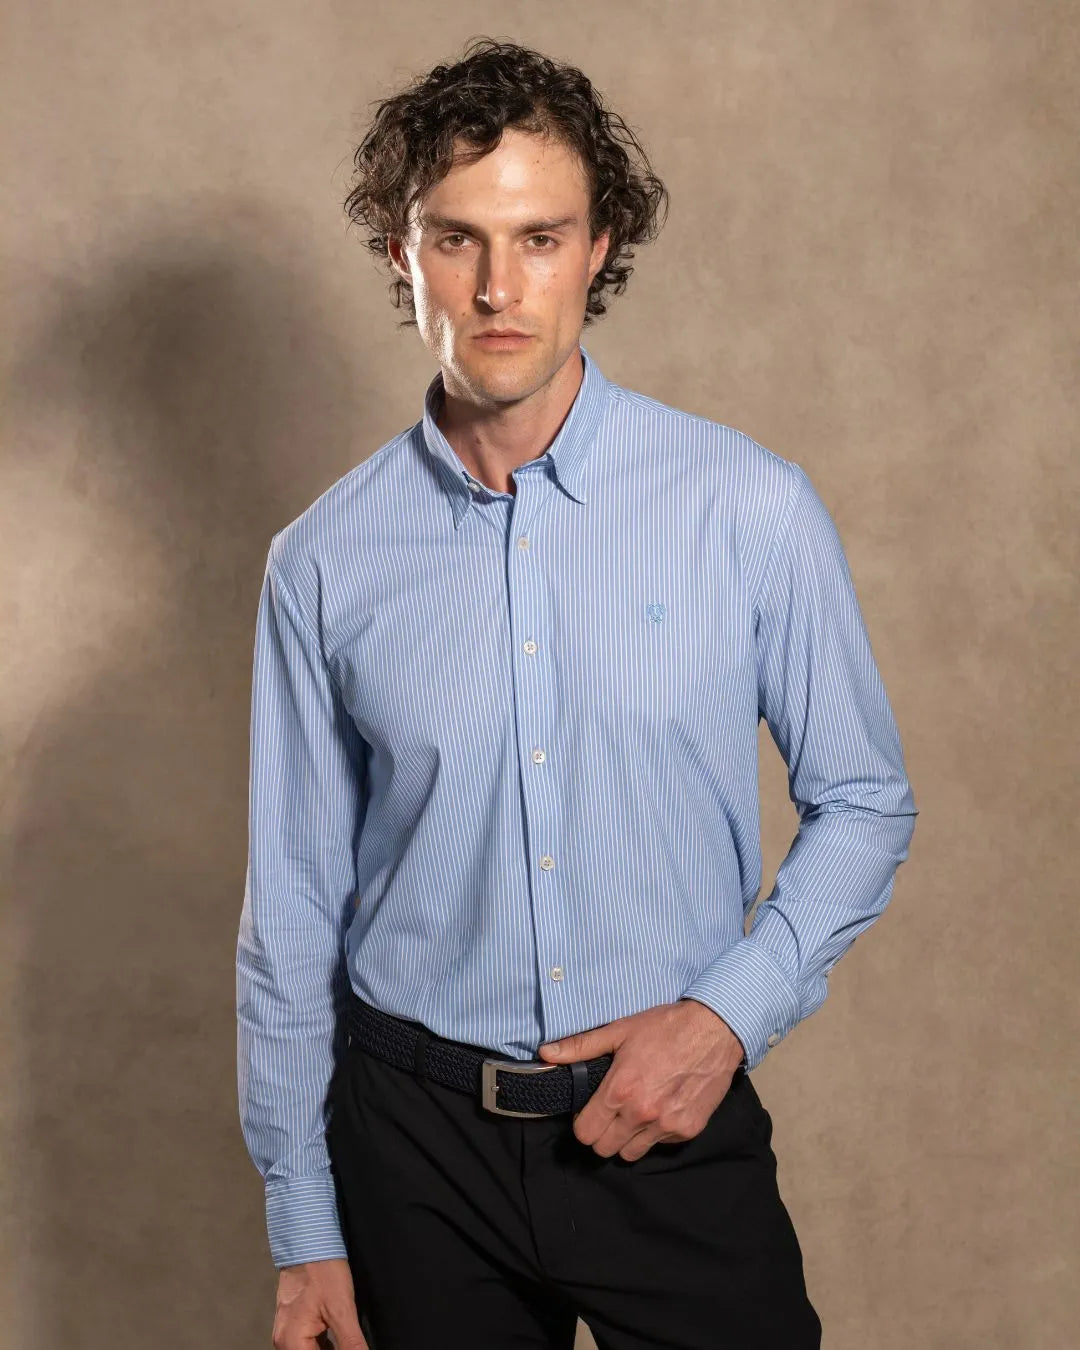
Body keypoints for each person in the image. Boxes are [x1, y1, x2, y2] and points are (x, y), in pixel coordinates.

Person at [236, 36, 918, 1350]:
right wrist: (304, 1221)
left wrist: (723, 1020)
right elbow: (295, 906)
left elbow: (865, 802)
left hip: (667, 1118)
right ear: (400, 253)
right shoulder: (320, 562)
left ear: (599, 248)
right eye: (457, 239)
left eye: (539, 238)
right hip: (412, 1154)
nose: (500, 288)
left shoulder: (749, 507)